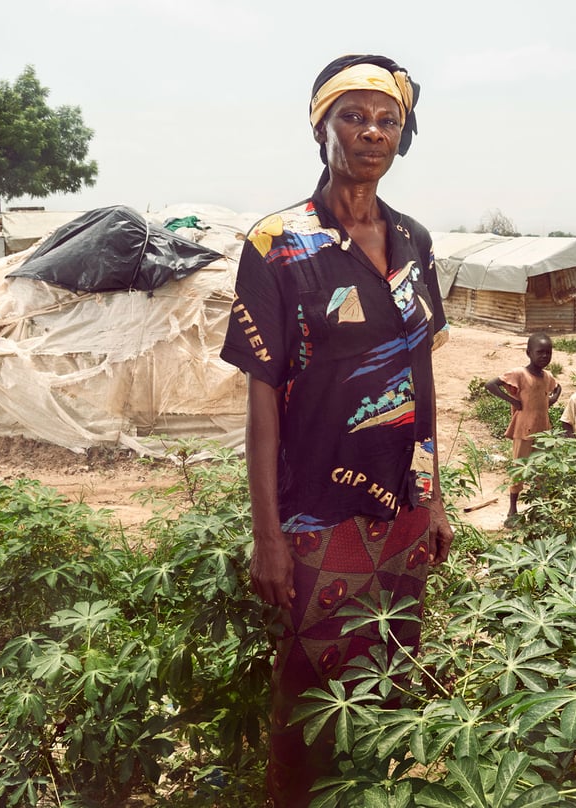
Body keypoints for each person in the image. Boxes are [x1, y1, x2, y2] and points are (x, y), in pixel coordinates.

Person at [219, 54, 452, 807]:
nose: (370, 133)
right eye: (352, 117)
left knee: (387, 679)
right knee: (311, 688)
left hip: (401, 507)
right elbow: (261, 399)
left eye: (386, 120)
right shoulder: (277, 243)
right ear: (320, 127)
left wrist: (436, 495)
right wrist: (268, 535)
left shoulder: (414, 241)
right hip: (314, 508)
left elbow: (421, 381)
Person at [485, 333, 562, 520]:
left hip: (543, 430)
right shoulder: (520, 374)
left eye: (548, 352)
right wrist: (513, 400)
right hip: (523, 429)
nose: (544, 356)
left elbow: (557, 387)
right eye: (540, 352)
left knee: (541, 470)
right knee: (519, 469)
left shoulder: (548, 376)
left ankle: (538, 509)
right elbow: (491, 385)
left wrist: (552, 399)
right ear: (529, 353)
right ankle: (513, 508)